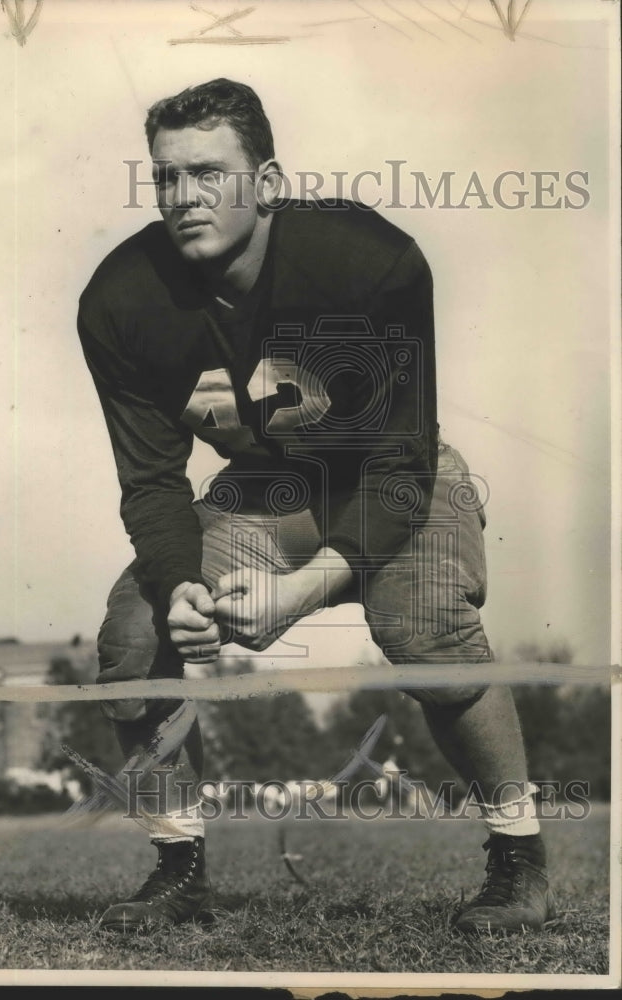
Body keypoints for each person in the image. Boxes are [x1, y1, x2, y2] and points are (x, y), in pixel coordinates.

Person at [77, 78, 555, 934]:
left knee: (426, 625)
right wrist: (183, 584)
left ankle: (519, 852)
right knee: (137, 630)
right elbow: (151, 481)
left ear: (266, 181)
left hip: (391, 477)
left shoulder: (367, 262)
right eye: (166, 177)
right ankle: (180, 868)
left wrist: (302, 591)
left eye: (210, 173)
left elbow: (405, 459)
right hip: (261, 495)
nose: (184, 197)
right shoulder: (120, 300)